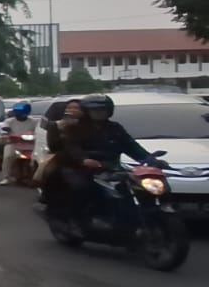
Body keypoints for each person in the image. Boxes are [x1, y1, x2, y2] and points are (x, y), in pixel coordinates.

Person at [57, 94, 165, 222]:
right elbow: (72, 147)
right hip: (81, 169)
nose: (100, 113)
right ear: (87, 112)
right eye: (95, 110)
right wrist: (84, 160)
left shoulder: (115, 128)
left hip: (111, 168)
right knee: (82, 189)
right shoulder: (75, 128)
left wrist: (149, 159)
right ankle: (76, 222)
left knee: (133, 188)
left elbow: (131, 145)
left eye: (103, 110)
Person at [0, 101, 39, 185]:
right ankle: (6, 177)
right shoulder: (9, 121)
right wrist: (7, 132)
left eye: (21, 113)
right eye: (17, 113)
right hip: (14, 144)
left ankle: (37, 176)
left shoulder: (34, 122)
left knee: (37, 158)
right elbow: (5, 128)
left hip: (30, 145)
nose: (18, 115)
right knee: (8, 156)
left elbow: (38, 132)